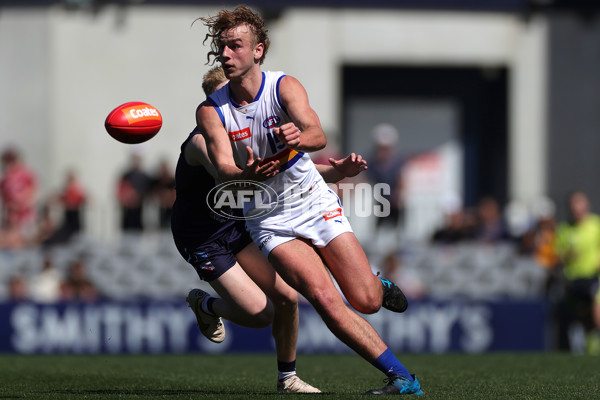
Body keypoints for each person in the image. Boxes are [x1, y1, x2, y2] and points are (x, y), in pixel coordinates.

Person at [196, 6, 420, 395]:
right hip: (269, 220)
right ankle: (403, 379)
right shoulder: (211, 110)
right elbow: (225, 171)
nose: (226, 54)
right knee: (323, 298)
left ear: (259, 50)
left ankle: (376, 286)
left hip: (314, 203)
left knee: (365, 301)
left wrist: (299, 136)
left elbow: (316, 133)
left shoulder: (284, 87)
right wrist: (248, 175)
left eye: (235, 46)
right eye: (222, 47)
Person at [172, 66, 375, 393]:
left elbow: (282, 172)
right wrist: (250, 172)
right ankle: (206, 305)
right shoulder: (201, 141)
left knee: (286, 296)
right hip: (203, 236)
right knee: (260, 313)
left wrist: (333, 174)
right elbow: (229, 177)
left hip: (236, 223)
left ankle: (287, 378)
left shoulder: (247, 132)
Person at [554, 190, 600, 352]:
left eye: (580, 203)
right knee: (577, 317)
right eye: (573, 204)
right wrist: (567, 255)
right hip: (572, 280)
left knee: (597, 310)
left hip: (593, 277)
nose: (577, 207)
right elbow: (557, 255)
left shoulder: (596, 225)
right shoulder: (564, 228)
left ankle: (594, 343)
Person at [0, 148, 37, 233]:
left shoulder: (26, 174)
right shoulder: (4, 179)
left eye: (11, 160)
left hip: (25, 216)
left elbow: (34, 192)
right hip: (10, 217)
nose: (9, 164)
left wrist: (23, 203)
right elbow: (3, 198)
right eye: (7, 161)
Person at [116, 152, 153, 232]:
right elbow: (120, 191)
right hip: (127, 213)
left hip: (140, 213)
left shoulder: (144, 176)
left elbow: (149, 191)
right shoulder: (126, 175)